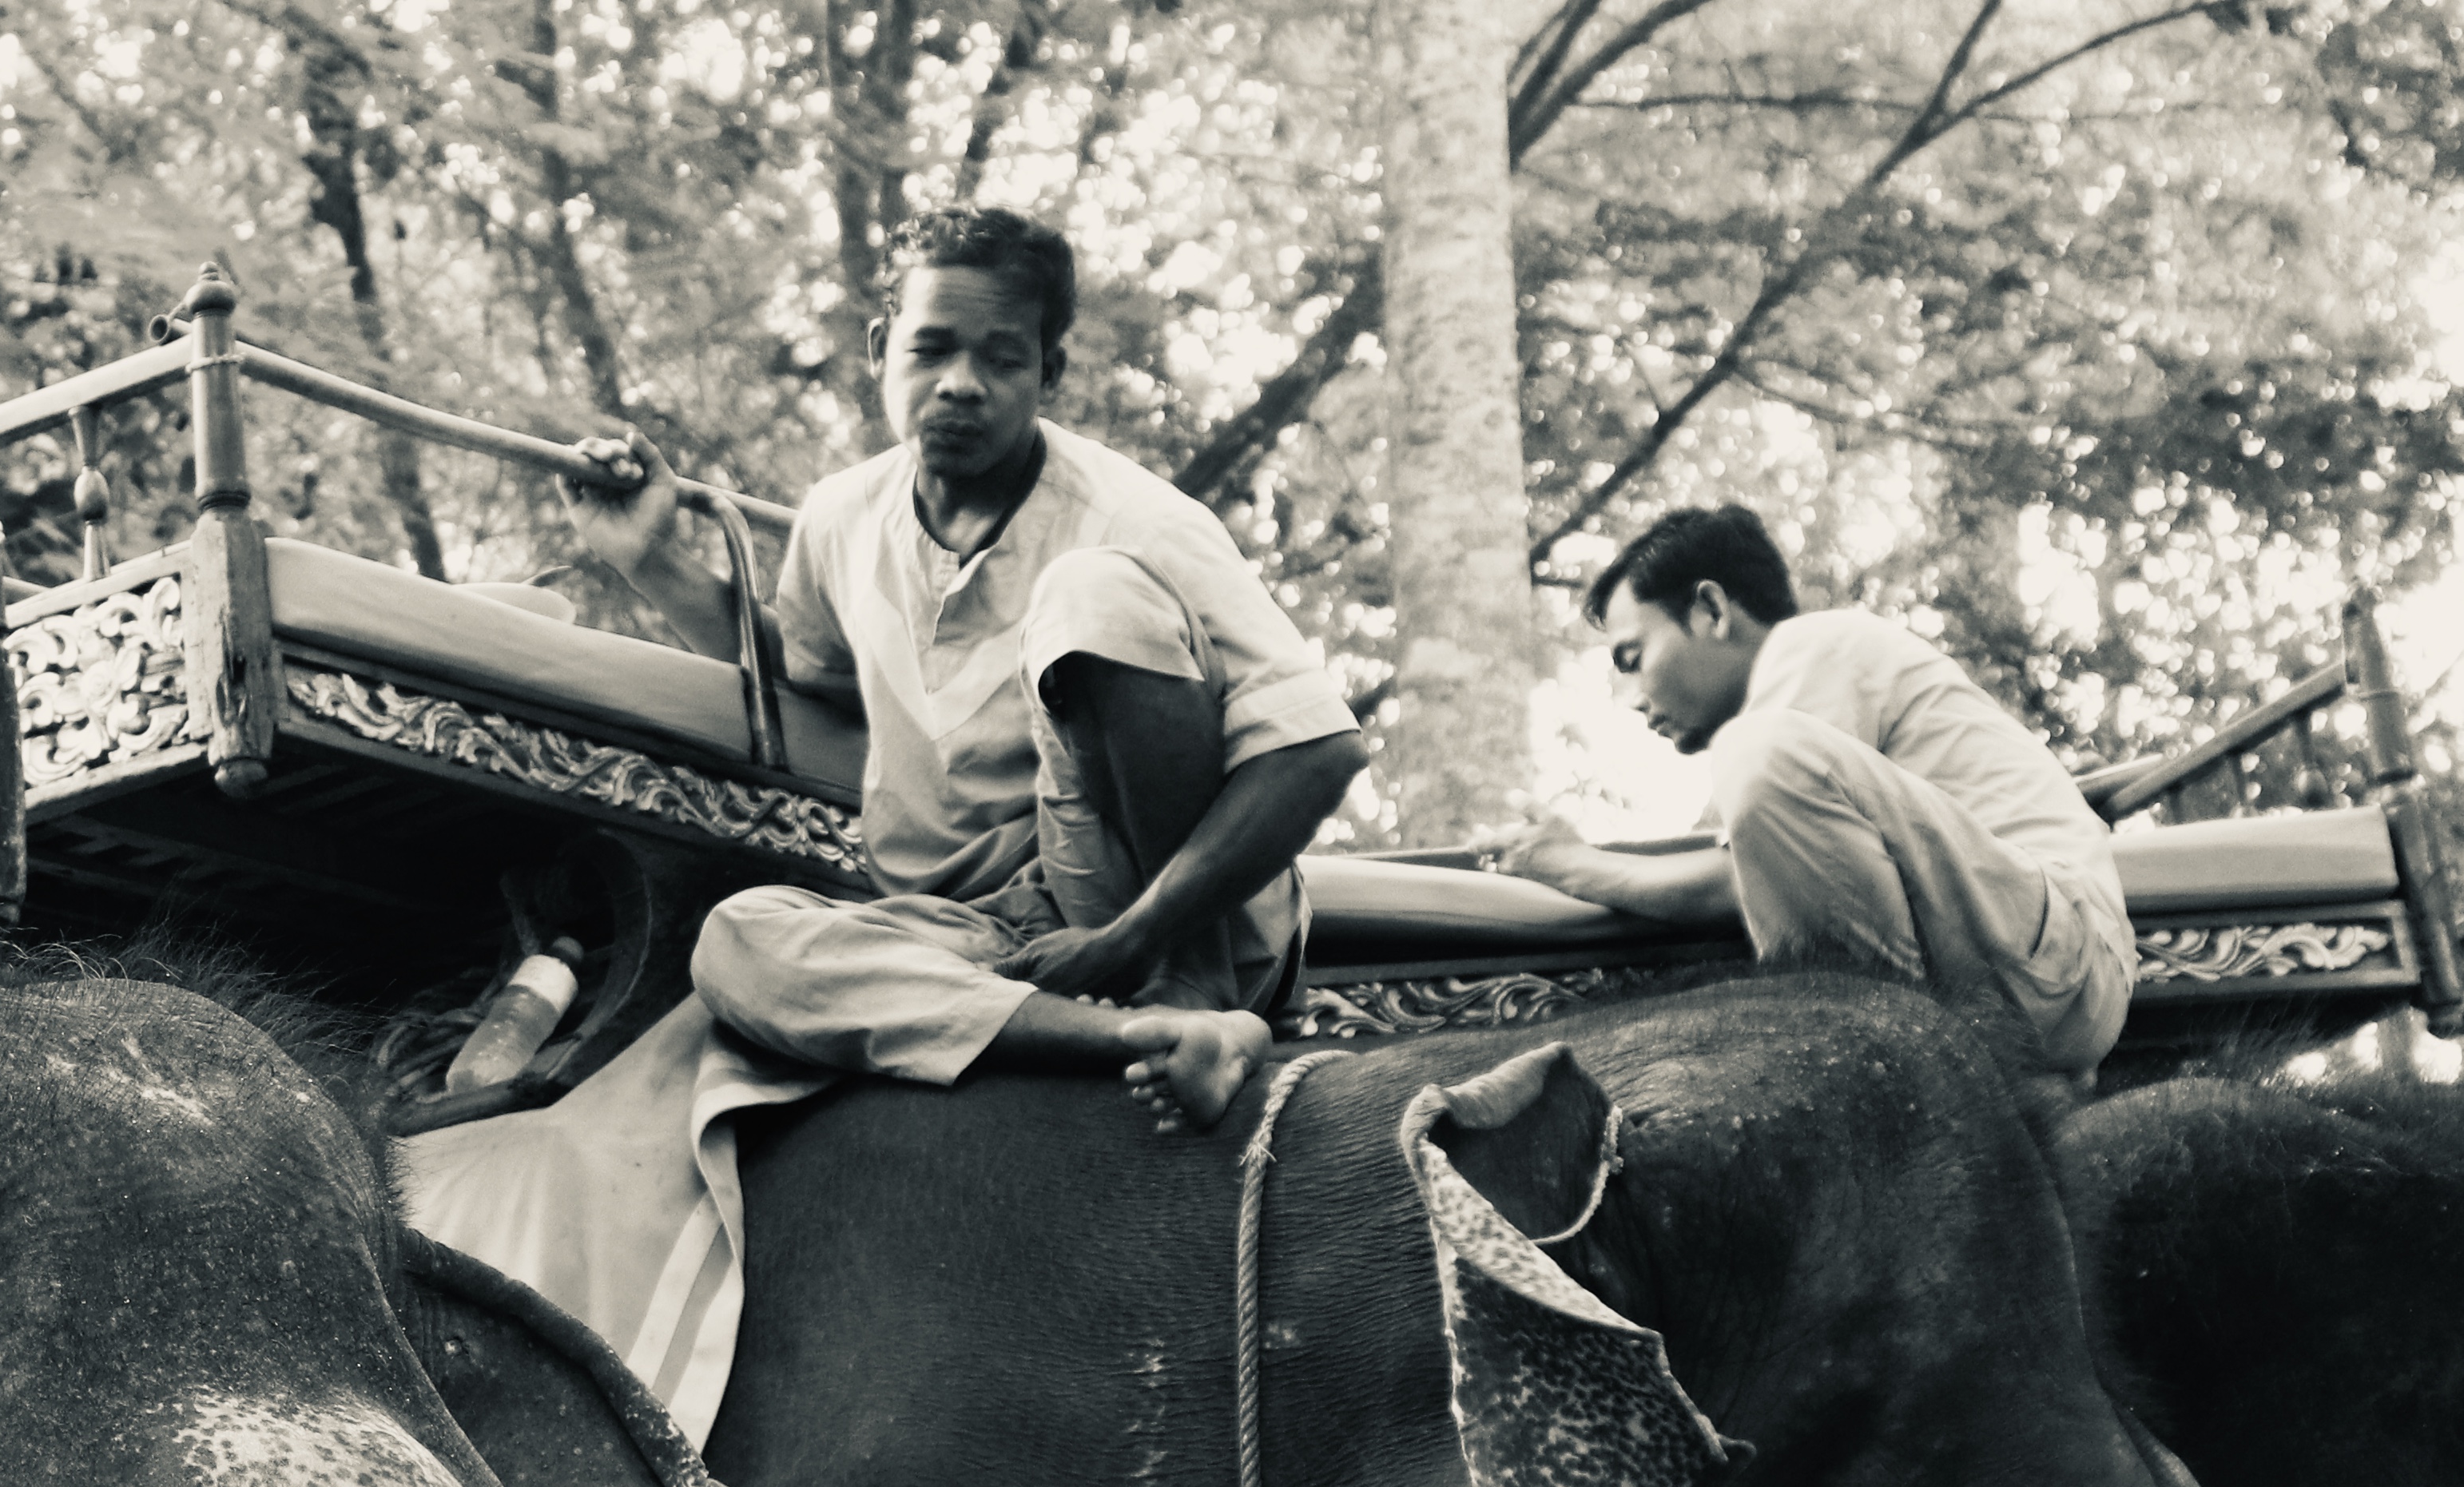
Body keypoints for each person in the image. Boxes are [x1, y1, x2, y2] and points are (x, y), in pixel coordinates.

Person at [565, 205, 1368, 1130]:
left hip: (1151, 906)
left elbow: (1318, 748)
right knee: (740, 941)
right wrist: (650, 557)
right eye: (931, 349)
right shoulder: (839, 517)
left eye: (1001, 359)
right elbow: (808, 677)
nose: (959, 384)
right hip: (967, 930)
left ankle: (1189, 993)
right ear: (880, 348)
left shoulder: (1137, 518)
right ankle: (1136, 1038)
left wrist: (1130, 937)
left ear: (1048, 374)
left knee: (1090, 593)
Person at [1496, 504, 2134, 1079]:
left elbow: (1727, 882)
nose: (1630, 699)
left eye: (1632, 658)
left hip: (2057, 954)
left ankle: (1887, 1080)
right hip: (2034, 967)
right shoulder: (1789, 739)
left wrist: (1572, 866)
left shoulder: (1811, 648)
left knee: (1758, 750)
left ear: (1711, 610)